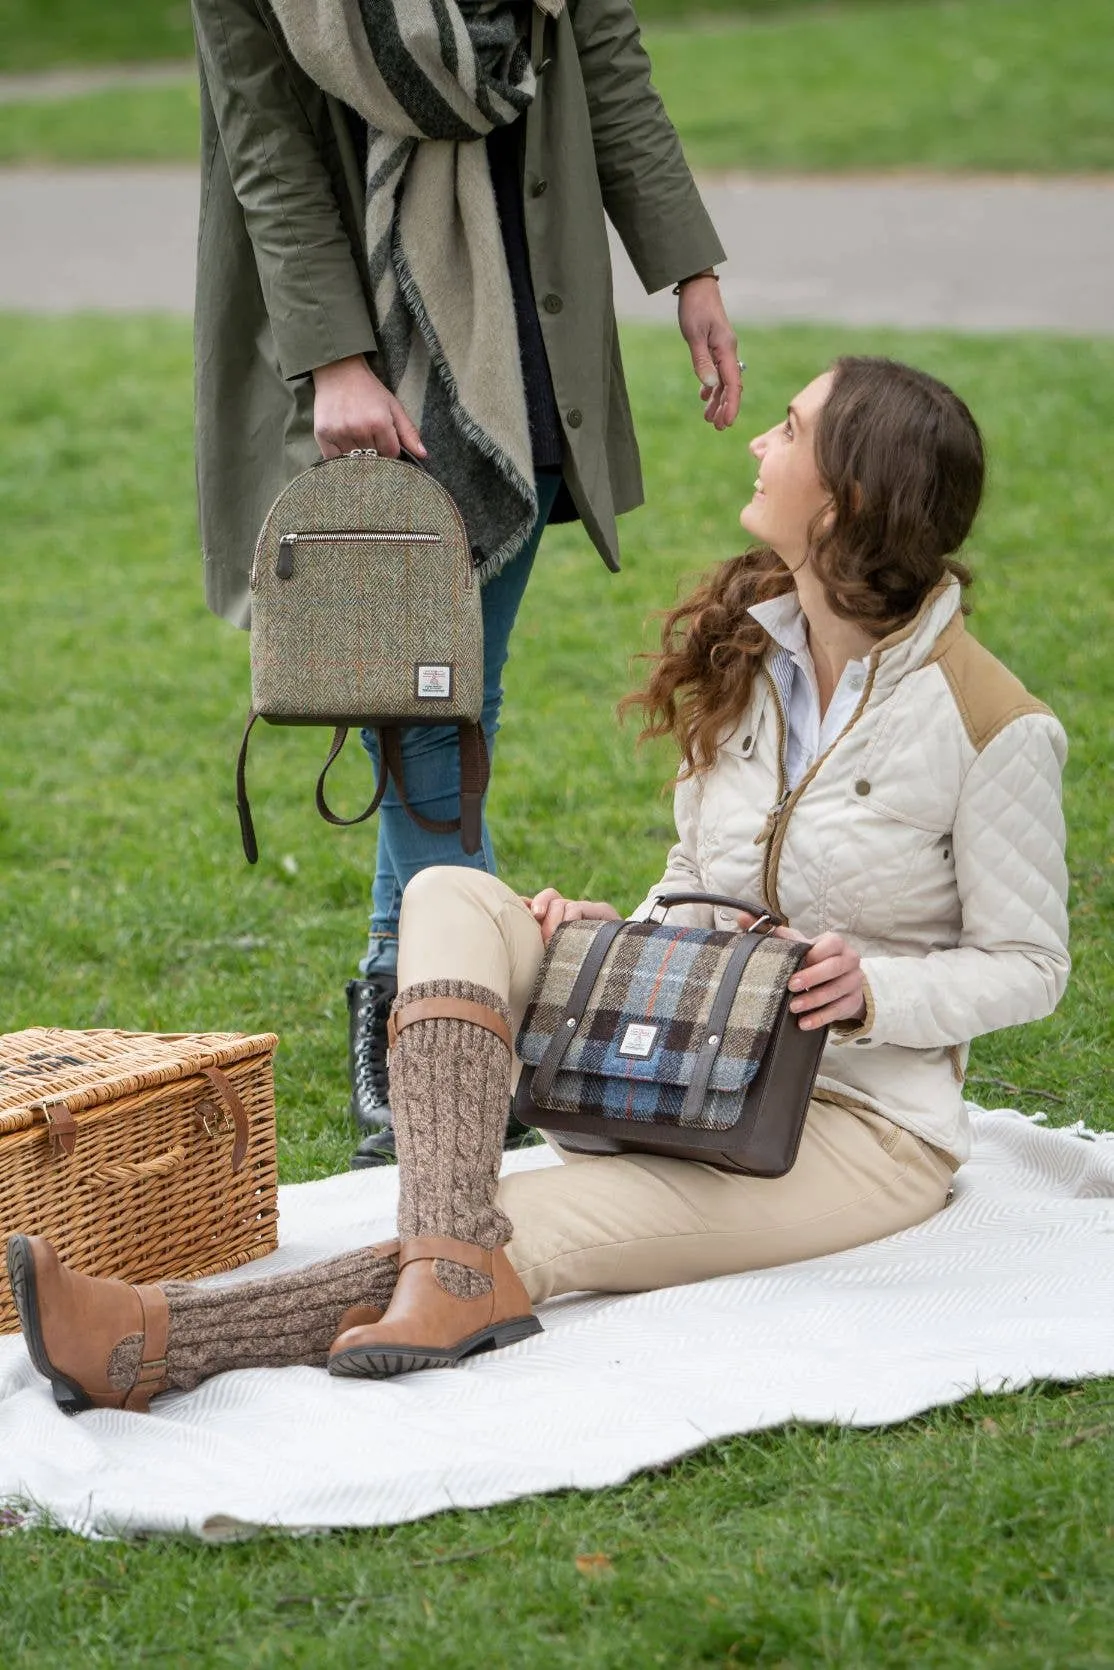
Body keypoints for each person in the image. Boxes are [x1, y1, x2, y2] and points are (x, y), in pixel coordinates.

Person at [9, 356, 1070, 1409]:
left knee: (522, 1221)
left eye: (788, 430)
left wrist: (876, 992)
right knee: (449, 899)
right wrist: (634, 932)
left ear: (846, 501)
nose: (758, 441)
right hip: (696, 1055)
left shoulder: (991, 725)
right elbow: (703, 873)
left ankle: (156, 1336)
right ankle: (447, 1266)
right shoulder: (759, 651)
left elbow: (1030, 964)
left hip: (854, 1124)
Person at [189, 0, 742, 1168]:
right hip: (373, 329)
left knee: (449, 703)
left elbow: (603, 53)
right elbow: (263, 135)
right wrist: (334, 354)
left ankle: (413, 1016)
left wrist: (685, 263)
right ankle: (437, 1027)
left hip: (528, 316)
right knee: (430, 706)